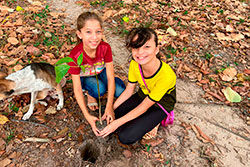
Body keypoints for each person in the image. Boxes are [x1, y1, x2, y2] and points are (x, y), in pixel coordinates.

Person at [99, 27, 176, 144]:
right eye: (136, 47)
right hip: (144, 95)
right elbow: (129, 90)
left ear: (156, 49)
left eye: (147, 47)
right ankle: (143, 122)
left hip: (160, 105)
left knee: (125, 137)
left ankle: (155, 123)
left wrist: (117, 123)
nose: (140, 52)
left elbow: (144, 106)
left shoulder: (166, 75)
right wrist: (110, 109)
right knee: (116, 113)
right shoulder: (135, 64)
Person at [67, 12, 125, 136]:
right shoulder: (75, 55)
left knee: (120, 91)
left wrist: (109, 106)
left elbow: (110, 76)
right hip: (85, 77)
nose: (94, 37)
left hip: (100, 71)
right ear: (79, 34)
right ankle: (89, 93)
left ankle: (105, 97)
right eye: (88, 32)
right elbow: (76, 88)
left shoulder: (105, 48)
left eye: (98, 32)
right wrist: (87, 116)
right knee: (100, 89)